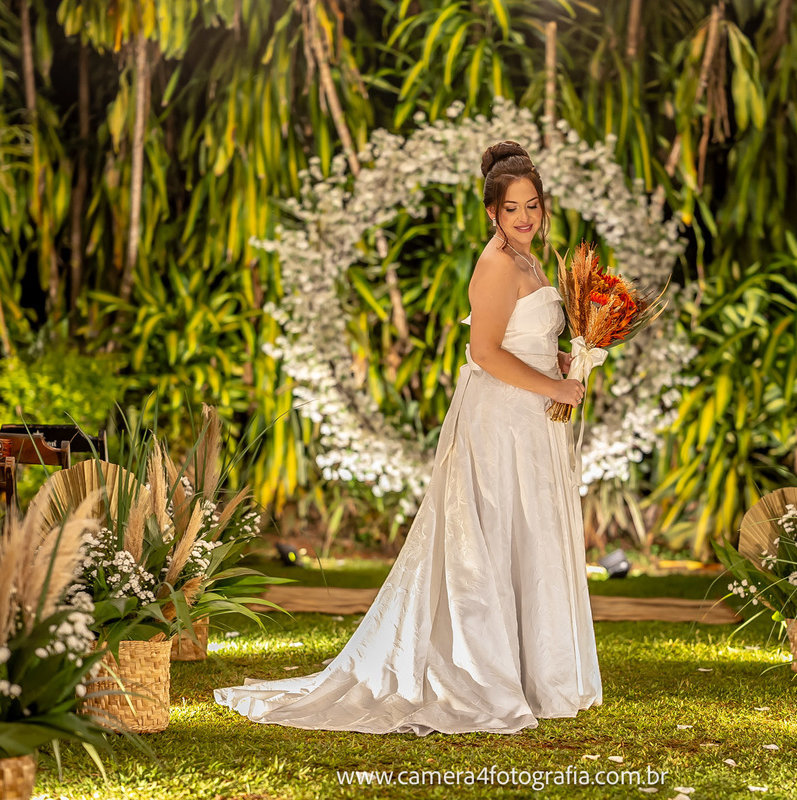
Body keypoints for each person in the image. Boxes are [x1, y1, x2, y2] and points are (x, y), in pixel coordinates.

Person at [213, 140, 603, 735]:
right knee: (494, 536)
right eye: (512, 209)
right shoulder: (497, 263)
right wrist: (555, 390)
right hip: (499, 422)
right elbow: (485, 352)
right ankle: (480, 673)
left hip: (529, 425)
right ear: (492, 213)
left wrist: (569, 360)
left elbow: (523, 340)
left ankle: (535, 674)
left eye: (533, 205)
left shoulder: (530, 261)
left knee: (529, 534)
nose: (525, 218)